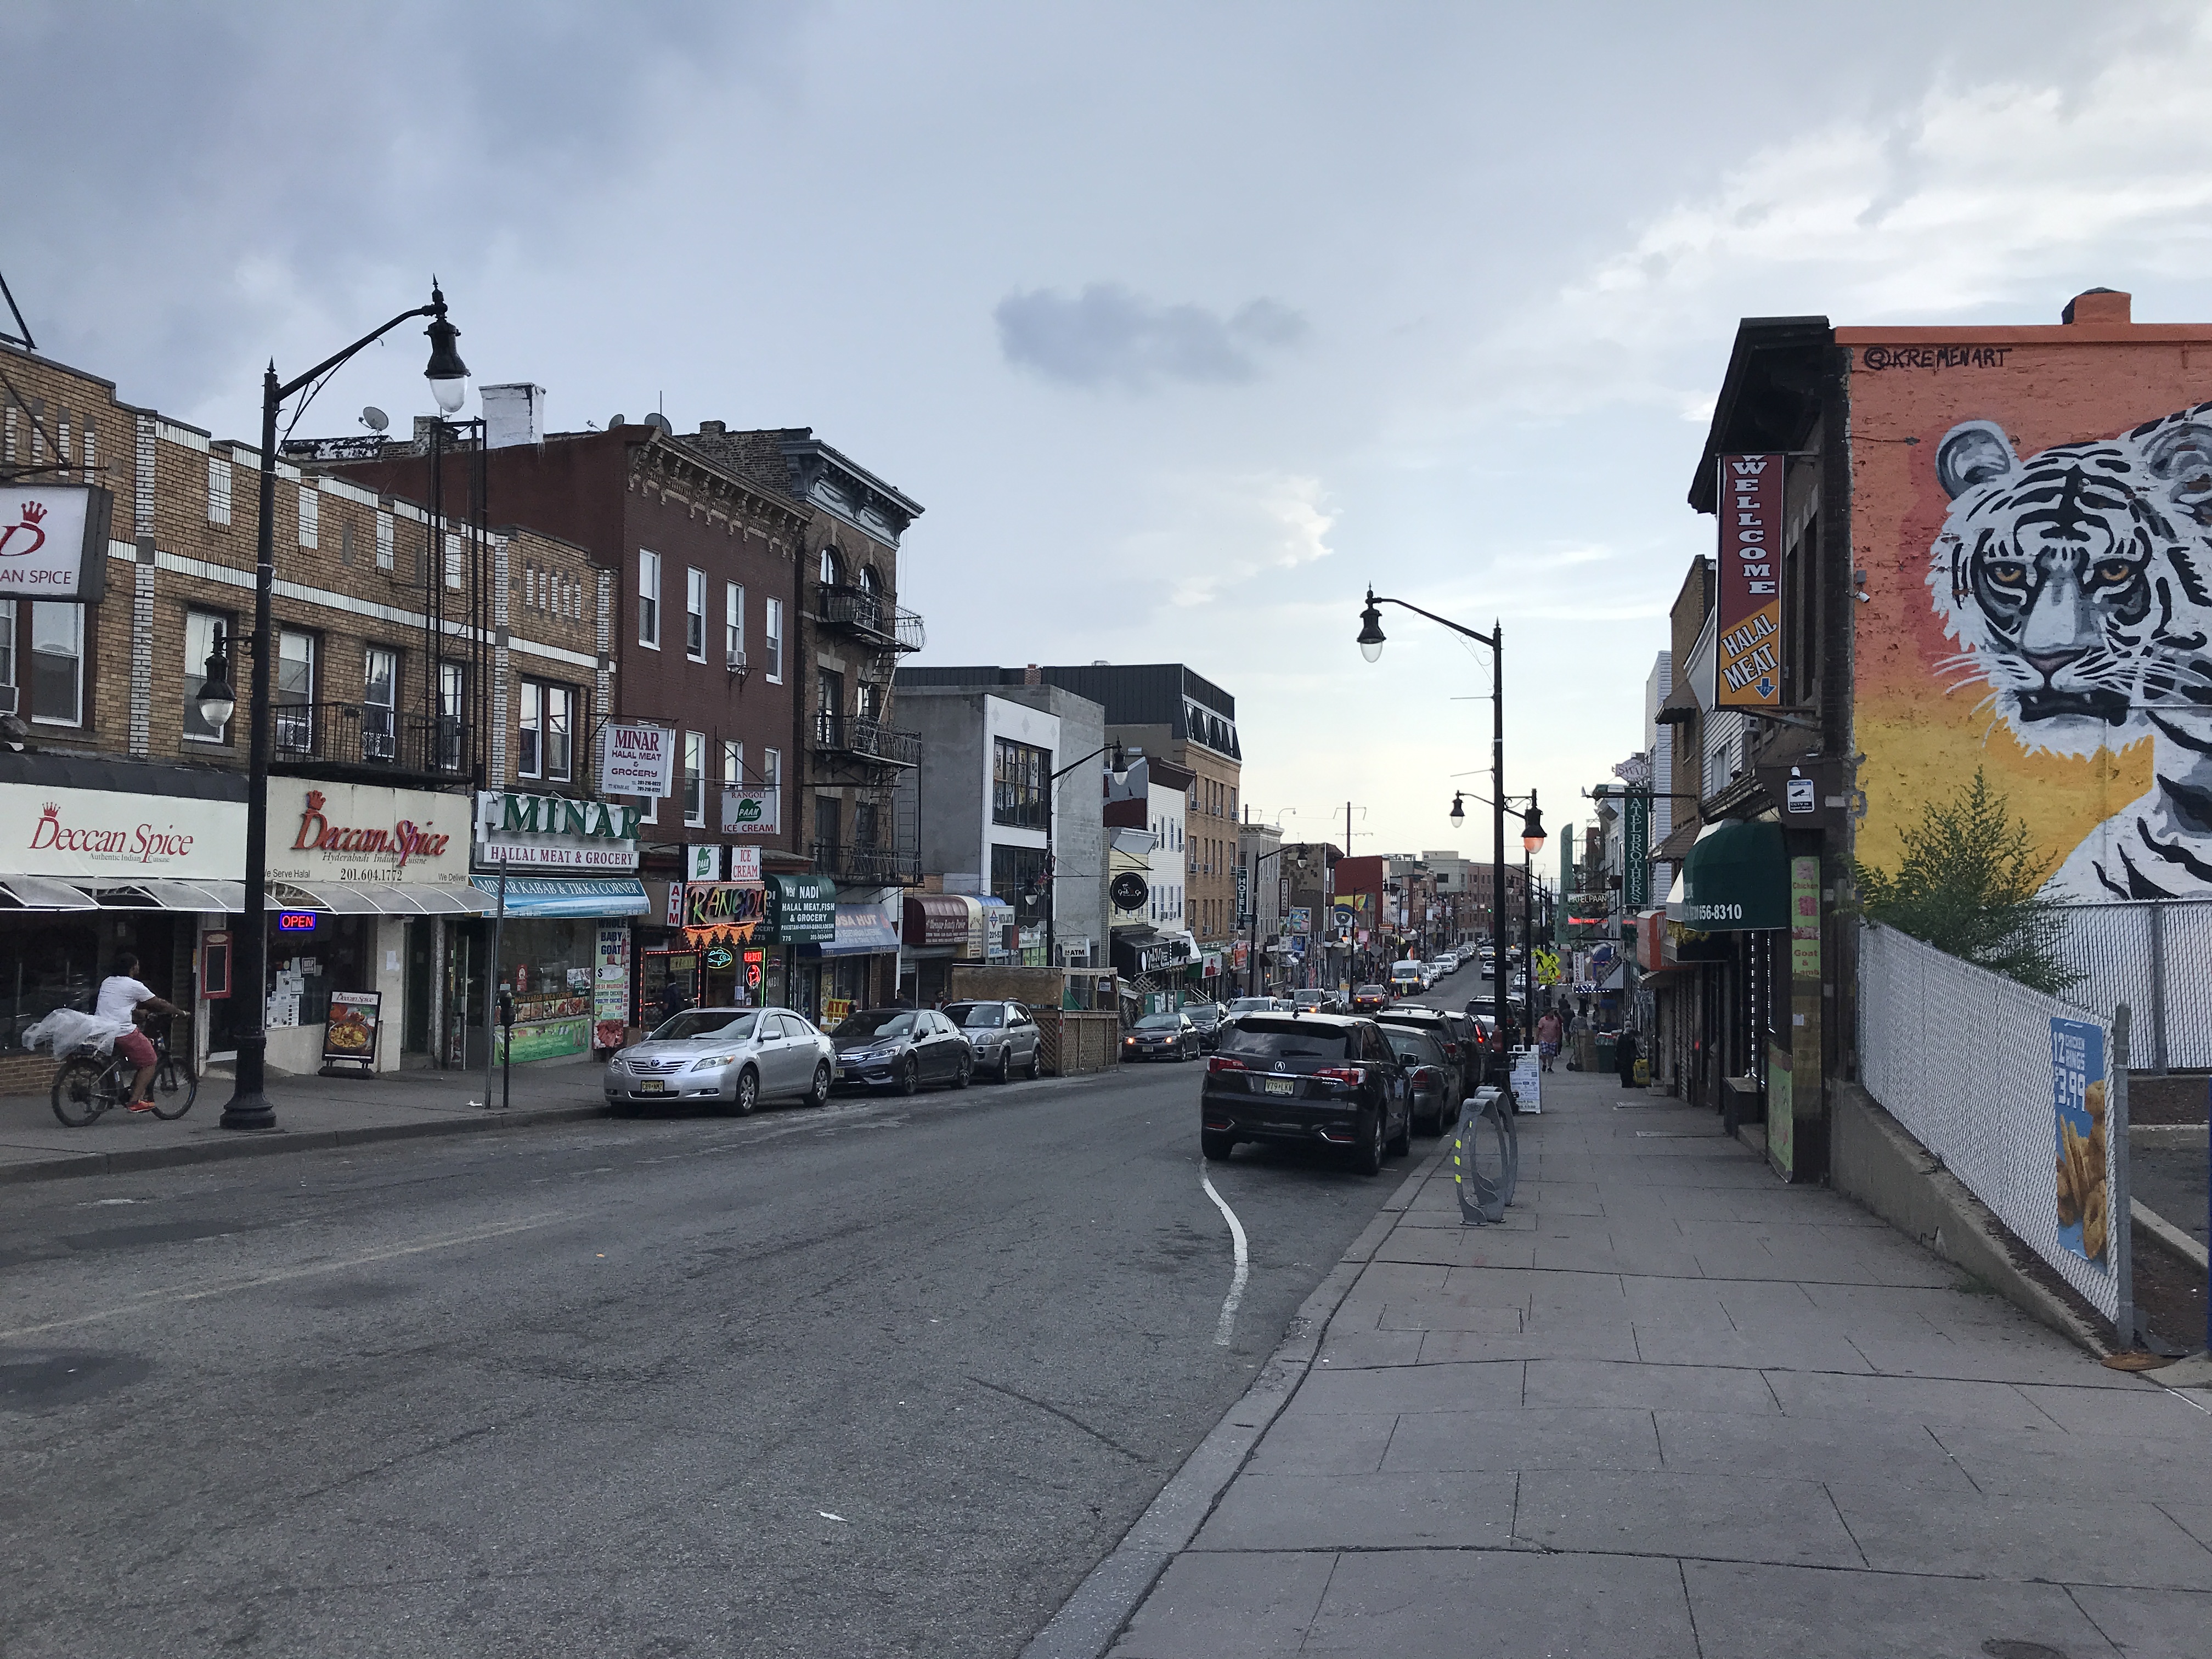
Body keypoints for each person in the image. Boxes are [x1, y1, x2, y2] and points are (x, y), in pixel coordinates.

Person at [96, 953, 178, 1113]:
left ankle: (123, 1089)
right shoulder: (134, 985)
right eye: (137, 965)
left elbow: (116, 1006)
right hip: (121, 1031)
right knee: (150, 1061)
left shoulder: (108, 981)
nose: (139, 967)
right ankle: (134, 1102)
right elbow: (160, 1004)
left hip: (102, 1027)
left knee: (130, 1054)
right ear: (133, 967)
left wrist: (138, 1013)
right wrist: (180, 1012)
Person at [1535, 1007, 1564, 1073]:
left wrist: (1558, 1037)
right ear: (1547, 1013)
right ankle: (1544, 1063)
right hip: (1544, 1039)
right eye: (1551, 1012)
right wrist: (1537, 1038)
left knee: (1551, 1054)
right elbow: (1539, 1029)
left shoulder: (1556, 1020)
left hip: (1553, 1039)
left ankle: (1550, 1067)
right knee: (1544, 1053)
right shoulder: (1543, 1020)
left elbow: (1558, 1029)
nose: (1552, 1014)